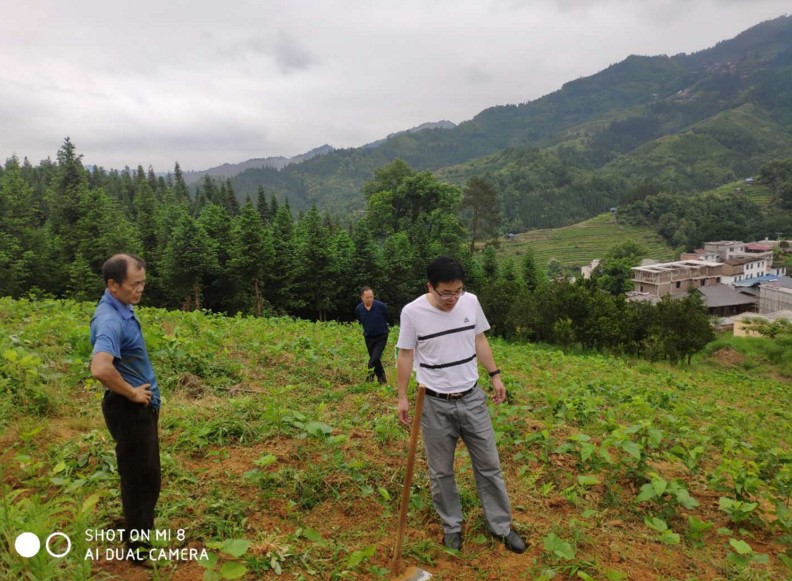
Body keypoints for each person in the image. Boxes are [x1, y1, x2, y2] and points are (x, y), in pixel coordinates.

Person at [396, 256, 525, 554]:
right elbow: (405, 355)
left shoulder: (470, 302)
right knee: (441, 472)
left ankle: (501, 526)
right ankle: (452, 526)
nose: (453, 298)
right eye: (446, 293)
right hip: (433, 404)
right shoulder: (412, 313)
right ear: (430, 286)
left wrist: (495, 375)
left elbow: (478, 338)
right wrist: (402, 396)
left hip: (472, 398)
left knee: (489, 465)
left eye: (458, 291)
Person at [90, 254, 161, 565]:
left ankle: (139, 536)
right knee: (139, 480)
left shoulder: (122, 308)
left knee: (147, 477)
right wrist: (132, 392)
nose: (140, 289)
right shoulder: (109, 319)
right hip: (128, 411)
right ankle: (138, 550)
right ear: (113, 285)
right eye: (135, 284)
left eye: (143, 283)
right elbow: (100, 368)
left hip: (137, 411)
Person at [354, 286, 391, 384]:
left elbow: (388, 317)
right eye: (367, 297)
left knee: (374, 359)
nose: (370, 299)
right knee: (376, 360)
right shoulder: (359, 309)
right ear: (362, 297)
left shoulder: (381, 306)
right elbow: (360, 321)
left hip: (381, 336)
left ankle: (369, 379)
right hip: (369, 337)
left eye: (372, 297)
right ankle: (382, 380)